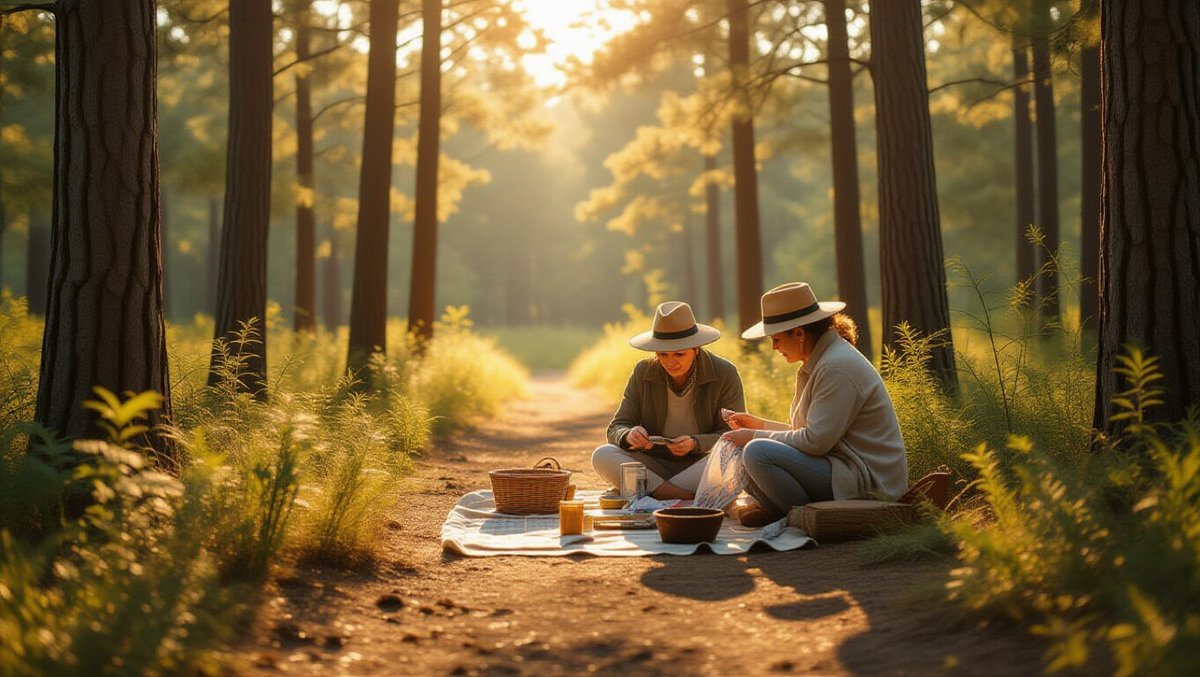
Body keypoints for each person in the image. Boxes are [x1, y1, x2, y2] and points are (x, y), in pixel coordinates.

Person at [721, 282, 907, 526]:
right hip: (839, 466)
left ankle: (801, 517)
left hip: (865, 479)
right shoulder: (821, 362)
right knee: (744, 454)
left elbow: (816, 442)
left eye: (776, 339)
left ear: (799, 334)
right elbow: (810, 434)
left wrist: (754, 435)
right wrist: (759, 425)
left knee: (756, 452)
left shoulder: (835, 367)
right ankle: (780, 511)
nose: (774, 348)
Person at [592, 301, 746, 500]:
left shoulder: (725, 373)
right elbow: (617, 427)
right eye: (662, 354)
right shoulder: (643, 371)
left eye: (679, 354)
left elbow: (733, 435)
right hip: (653, 463)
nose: (670, 362)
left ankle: (650, 490)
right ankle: (676, 494)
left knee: (740, 455)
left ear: (696, 348)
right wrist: (628, 435)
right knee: (602, 455)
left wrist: (695, 443)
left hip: (700, 465)